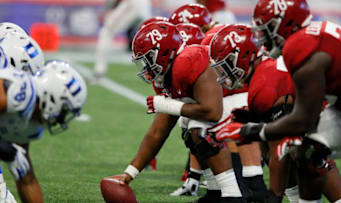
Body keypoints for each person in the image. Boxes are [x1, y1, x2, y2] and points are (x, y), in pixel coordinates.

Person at [215, 0, 341, 202]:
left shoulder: (301, 48)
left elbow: (302, 120)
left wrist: (250, 131)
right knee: (307, 152)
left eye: (266, 30)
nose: (262, 37)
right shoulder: (305, 41)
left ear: (286, 23)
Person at [104, 21, 246, 203]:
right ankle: (214, 193)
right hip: (225, 103)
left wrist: (168, 106)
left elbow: (212, 113)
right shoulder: (169, 73)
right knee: (189, 128)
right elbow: (158, 132)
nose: (146, 67)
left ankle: (233, 195)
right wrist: (129, 174)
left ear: (162, 53)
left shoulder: (188, 61)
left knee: (201, 130)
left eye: (148, 59)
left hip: (246, 97)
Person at [0, 58, 87, 203]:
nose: (62, 118)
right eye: (64, 111)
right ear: (54, 97)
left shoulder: (30, 120)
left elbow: (27, 180)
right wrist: (4, 148)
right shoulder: (17, 92)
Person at [92, 0, 152, 81]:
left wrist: (105, 9)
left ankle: (99, 70)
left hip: (132, 4)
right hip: (144, 4)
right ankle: (157, 71)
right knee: (149, 37)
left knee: (106, 32)